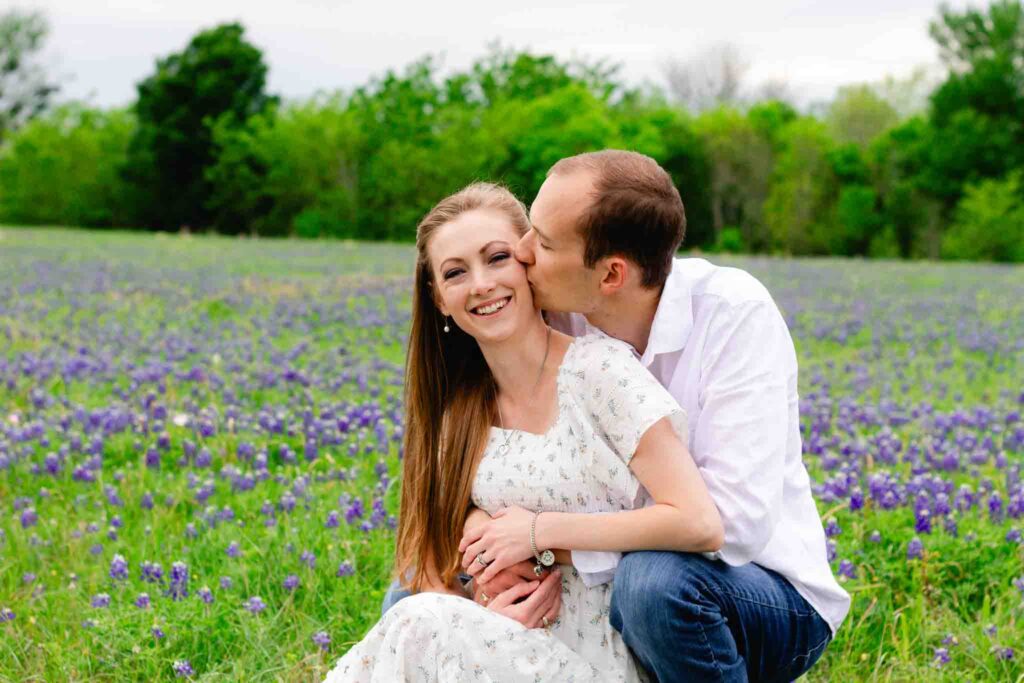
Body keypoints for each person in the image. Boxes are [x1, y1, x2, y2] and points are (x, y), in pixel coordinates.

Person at [464, 149, 852, 682]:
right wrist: (487, 537)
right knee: (428, 589)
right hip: (602, 586)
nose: (523, 253)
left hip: (764, 592)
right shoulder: (558, 311)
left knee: (654, 584)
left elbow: (731, 527)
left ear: (611, 275)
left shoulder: (733, 314)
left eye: (545, 242)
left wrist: (547, 541)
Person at [324, 182, 724, 682]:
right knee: (420, 617)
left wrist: (536, 535)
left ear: (529, 263)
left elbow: (697, 521)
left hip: (601, 654)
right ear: (439, 299)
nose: (481, 284)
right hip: (501, 639)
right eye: (454, 272)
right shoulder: (458, 412)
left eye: (497, 258)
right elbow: (429, 566)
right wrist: (487, 615)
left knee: (416, 623)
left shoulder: (601, 373)